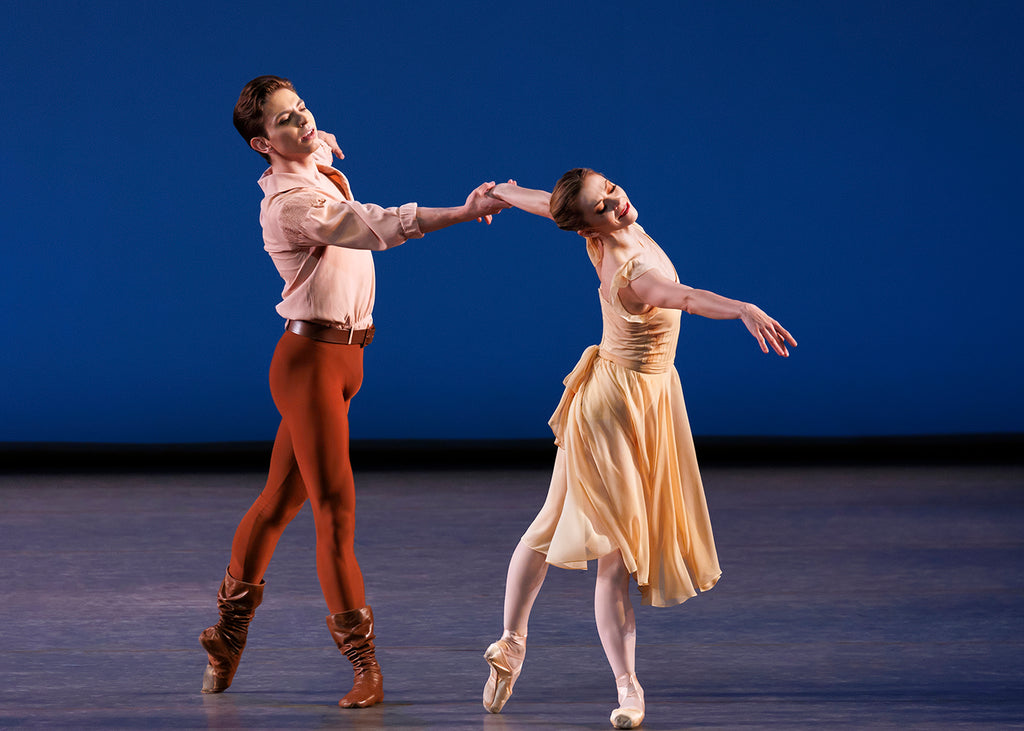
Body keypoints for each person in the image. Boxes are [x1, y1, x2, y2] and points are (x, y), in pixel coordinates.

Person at [198, 75, 508, 709]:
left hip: (343, 361)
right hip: (310, 363)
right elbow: (373, 227)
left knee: (279, 504)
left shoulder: (309, 165)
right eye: (285, 122)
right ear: (261, 143)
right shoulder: (290, 203)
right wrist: (464, 211)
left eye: (303, 109)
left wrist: (314, 146)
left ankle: (226, 636)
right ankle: (365, 665)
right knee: (334, 511)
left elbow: (315, 152)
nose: (304, 122)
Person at [480, 170, 796, 729]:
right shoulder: (633, 272)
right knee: (616, 554)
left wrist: (500, 192)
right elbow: (688, 298)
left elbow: (542, 203)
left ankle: (510, 641)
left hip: (635, 399)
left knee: (554, 520)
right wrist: (743, 307)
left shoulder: (605, 231)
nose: (617, 203)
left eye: (612, 191)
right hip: (614, 412)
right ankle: (628, 689)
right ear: (586, 224)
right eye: (602, 206)